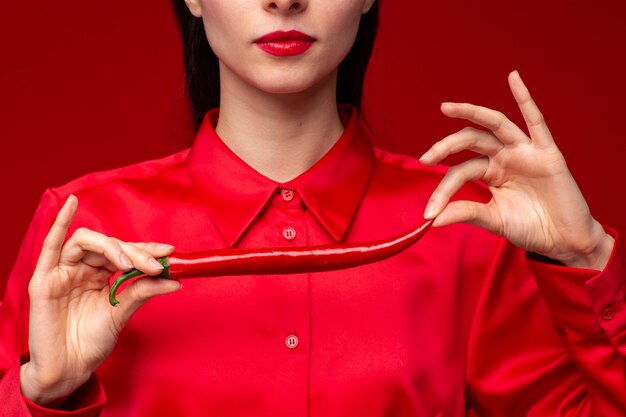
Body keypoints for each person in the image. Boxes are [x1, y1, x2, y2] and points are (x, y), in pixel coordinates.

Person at [1, 0, 624, 415]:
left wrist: (586, 255)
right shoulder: (83, 229)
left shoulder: (464, 223)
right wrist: (42, 394)